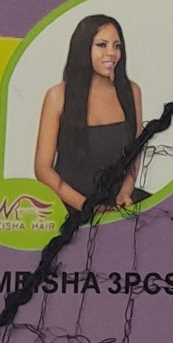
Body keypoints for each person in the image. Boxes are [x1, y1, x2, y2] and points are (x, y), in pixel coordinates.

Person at [34, 14, 143, 214]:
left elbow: (136, 151)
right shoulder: (57, 96)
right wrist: (87, 207)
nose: (112, 53)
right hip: (71, 206)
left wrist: (125, 192)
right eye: (102, 45)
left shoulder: (131, 92)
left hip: (119, 204)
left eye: (117, 46)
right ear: (83, 48)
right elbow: (43, 169)